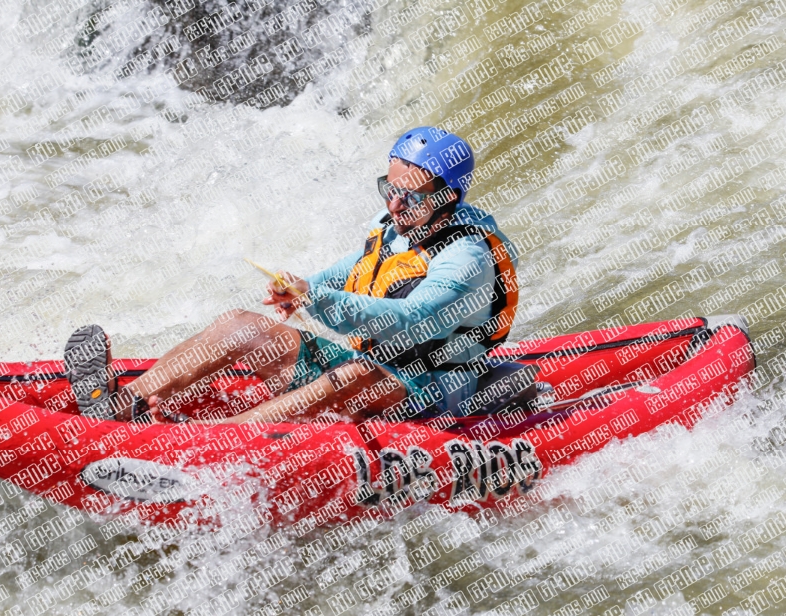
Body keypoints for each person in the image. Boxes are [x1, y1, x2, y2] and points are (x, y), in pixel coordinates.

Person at [64, 126, 519, 424]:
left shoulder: (468, 259)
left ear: (448, 197)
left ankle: (212, 440)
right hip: (379, 371)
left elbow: (406, 320)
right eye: (389, 189)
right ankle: (118, 406)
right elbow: (343, 276)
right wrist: (298, 290)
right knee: (237, 324)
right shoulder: (399, 226)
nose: (394, 206)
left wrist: (316, 301)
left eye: (410, 197)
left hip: (432, 395)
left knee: (355, 374)